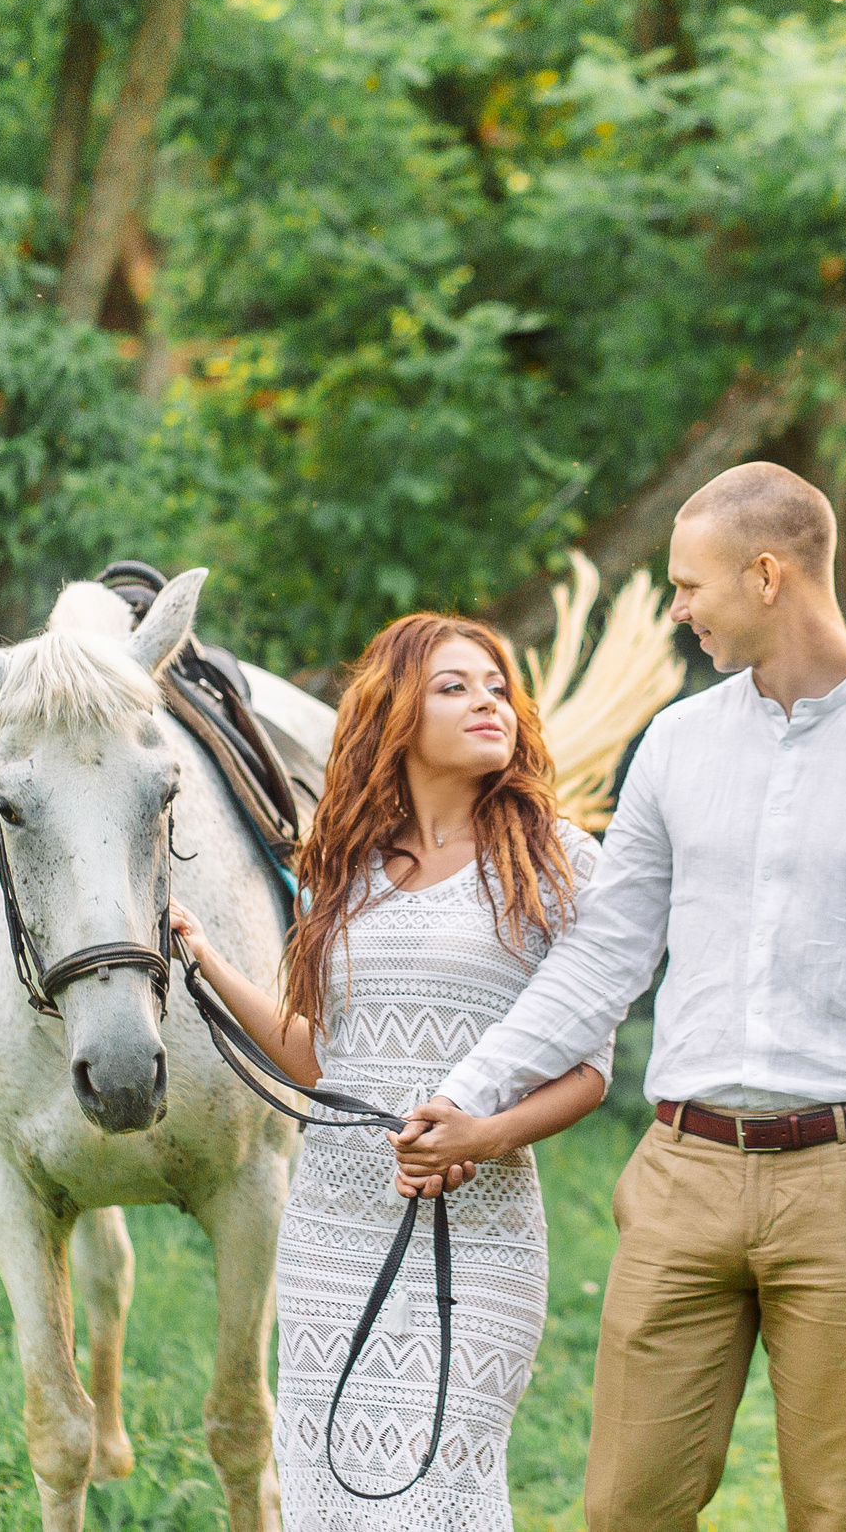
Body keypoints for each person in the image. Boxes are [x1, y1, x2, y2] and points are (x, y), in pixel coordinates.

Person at [392, 463, 846, 1532]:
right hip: (680, 1180)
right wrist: (467, 1091)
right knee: (623, 1513)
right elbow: (604, 956)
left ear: (765, 574)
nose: (677, 608)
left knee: (838, 1518)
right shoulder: (678, 746)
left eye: (688, 585)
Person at [179, 611, 612, 1528]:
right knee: (327, 1489)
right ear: (397, 715)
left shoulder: (557, 862)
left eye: (497, 686)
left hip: (478, 1228)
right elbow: (315, 1056)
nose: (488, 701)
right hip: (331, 1229)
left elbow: (588, 1070)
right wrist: (209, 962)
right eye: (455, 686)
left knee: (440, 1485)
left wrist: (484, 1133)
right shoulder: (347, 870)